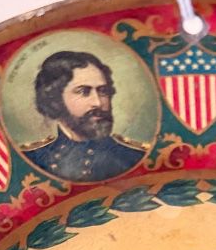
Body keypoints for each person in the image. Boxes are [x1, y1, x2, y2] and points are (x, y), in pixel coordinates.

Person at [22, 50, 145, 182]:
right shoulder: (30, 161)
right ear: (55, 100)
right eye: (83, 92)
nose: (98, 103)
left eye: (103, 91)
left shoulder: (135, 158)